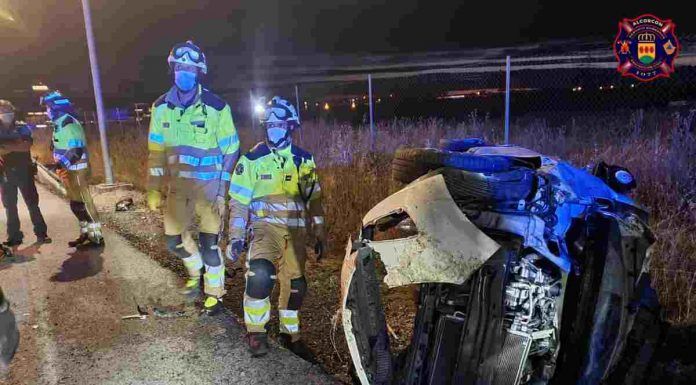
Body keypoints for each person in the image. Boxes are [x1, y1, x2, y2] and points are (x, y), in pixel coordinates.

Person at [227, 96, 327, 357]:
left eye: (279, 124)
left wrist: (319, 232)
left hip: (295, 236)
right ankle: (256, 332)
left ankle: (290, 335)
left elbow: (313, 199)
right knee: (260, 274)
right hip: (264, 230)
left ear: (290, 126)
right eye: (269, 124)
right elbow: (237, 204)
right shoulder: (251, 160)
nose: (274, 128)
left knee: (296, 287)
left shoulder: (303, 160)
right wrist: (236, 237)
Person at [146, 41, 240, 314]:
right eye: (180, 67)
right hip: (178, 189)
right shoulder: (160, 107)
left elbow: (231, 150)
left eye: (190, 68)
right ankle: (194, 270)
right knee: (173, 241)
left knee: (210, 245)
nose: (184, 72)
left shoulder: (217, 107)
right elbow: (156, 152)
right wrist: (153, 188)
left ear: (199, 72)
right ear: (173, 69)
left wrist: (222, 190)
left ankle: (215, 293)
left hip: (209, 189)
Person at [40, 91, 103, 247]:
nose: (46, 111)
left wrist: (61, 164)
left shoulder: (69, 123)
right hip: (69, 171)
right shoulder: (60, 123)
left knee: (84, 204)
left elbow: (76, 150)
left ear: (56, 108)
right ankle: (85, 233)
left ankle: (96, 236)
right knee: (76, 205)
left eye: (48, 108)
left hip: (77, 171)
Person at [0, 99, 50, 246]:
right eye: (2, 110)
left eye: (7, 110)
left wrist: (5, 147)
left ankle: (41, 233)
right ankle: (14, 237)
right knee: (10, 206)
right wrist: (16, 144)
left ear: (12, 111)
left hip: (24, 170)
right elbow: (19, 145)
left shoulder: (22, 126)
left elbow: (26, 146)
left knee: (32, 203)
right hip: (5, 173)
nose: (4, 113)